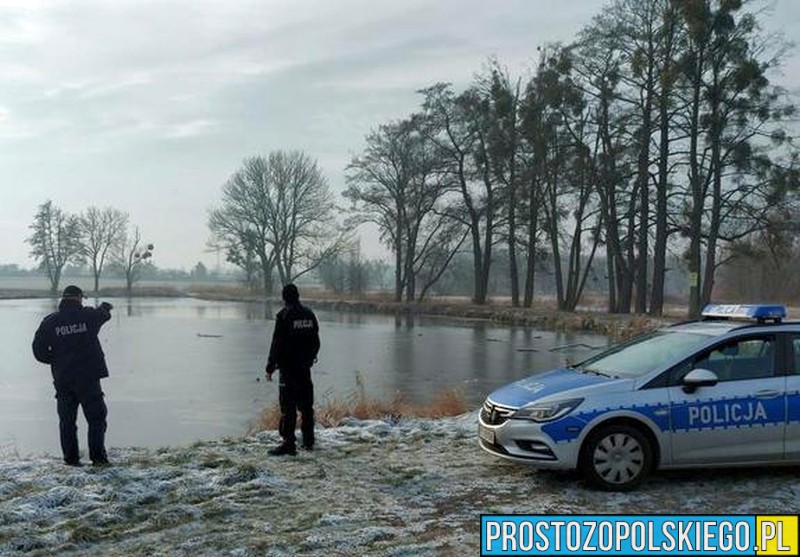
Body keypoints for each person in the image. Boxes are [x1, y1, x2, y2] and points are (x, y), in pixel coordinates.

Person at [32, 285, 114, 467]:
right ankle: (98, 459)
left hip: (63, 379)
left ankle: (71, 460)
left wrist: (57, 361)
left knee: (67, 421)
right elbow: (104, 314)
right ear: (79, 298)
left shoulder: (49, 322)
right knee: (97, 419)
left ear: (63, 299)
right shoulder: (88, 316)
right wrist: (106, 307)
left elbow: (38, 352)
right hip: (88, 378)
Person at [264, 283, 320, 456]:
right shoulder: (309, 314)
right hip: (304, 369)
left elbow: (277, 343)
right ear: (298, 296)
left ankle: (289, 443)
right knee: (306, 406)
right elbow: (316, 342)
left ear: (284, 298)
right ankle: (309, 441)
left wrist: (270, 367)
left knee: (288, 408)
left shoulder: (284, 316)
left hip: (288, 371)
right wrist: (309, 359)